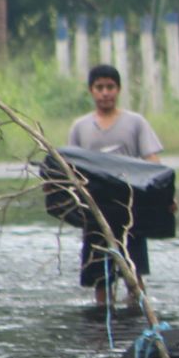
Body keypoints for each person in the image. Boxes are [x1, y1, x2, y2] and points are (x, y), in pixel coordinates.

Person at [65, 63, 163, 307]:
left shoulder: (136, 123)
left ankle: (138, 309)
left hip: (130, 208)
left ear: (118, 90)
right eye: (99, 87)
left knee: (134, 268)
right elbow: (70, 168)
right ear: (91, 91)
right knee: (100, 273)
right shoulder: (81, 127)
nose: (105, 92)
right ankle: (102, 312)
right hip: (96, 209)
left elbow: (153, 164)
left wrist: (163, 198)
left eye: (110, 87)